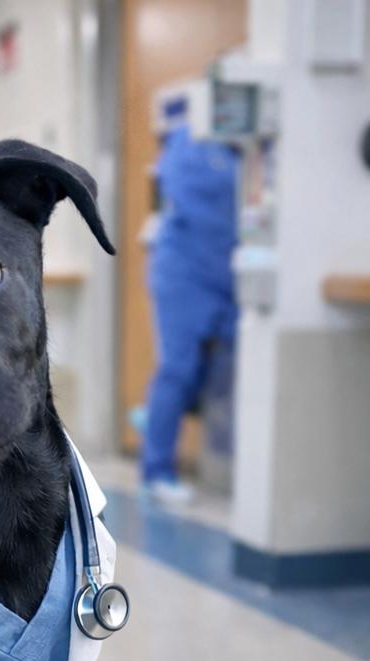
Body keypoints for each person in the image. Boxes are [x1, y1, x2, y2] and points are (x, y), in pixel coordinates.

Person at [141, 125, 238, 504]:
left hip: (226, 277)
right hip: (185, 275)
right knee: (178, 369)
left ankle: (154, 420)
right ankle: (157, 469)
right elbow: (193, 208)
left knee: (217, 372)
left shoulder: (244, 154)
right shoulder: (190, 142)